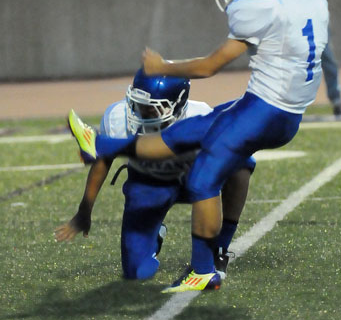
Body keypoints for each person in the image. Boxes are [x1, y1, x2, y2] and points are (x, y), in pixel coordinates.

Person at [67, 0, 329, 292]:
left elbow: (208, 68)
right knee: (184, 134)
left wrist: (165, 66)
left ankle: (204, 270)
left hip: (266, 111)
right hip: (280, 110)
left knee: (203, 180)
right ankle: (100, 143)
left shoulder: (257, 7)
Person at [56, 69, 254, 280]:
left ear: (178, 105)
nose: (141, 114)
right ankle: (154, 232)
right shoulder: (117, 116)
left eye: (152, 109)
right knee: (136, 271)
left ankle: (220, 249)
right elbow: (103, 162)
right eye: (137, 105)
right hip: (146, 186)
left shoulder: (199, 115)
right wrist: (84, 211)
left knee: (241, 164)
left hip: (191, 181)